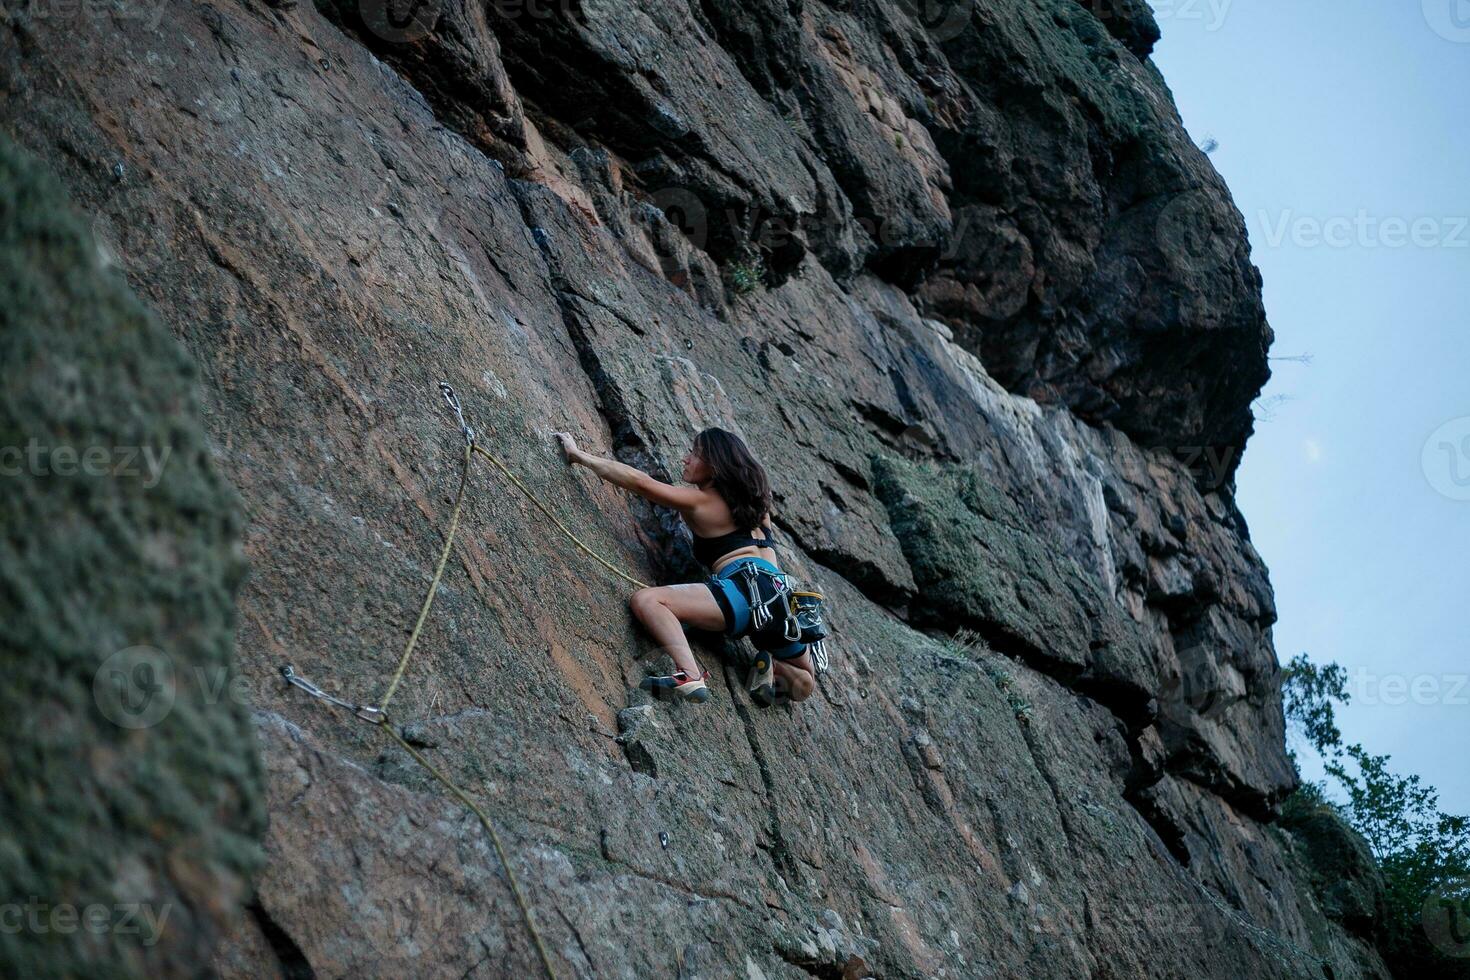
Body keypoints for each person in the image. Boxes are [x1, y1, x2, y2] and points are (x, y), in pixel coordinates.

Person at [553, 427, 816, 706]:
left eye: (695, 454)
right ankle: (774, 669)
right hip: (781, 603)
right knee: (806, 680)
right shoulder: (758, 506)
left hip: (743, 593)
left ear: (714, 465)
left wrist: (580, 456)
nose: (685, 459)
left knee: (649, 600)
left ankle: (690, 675)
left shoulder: (702, 502)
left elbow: (642, 483)